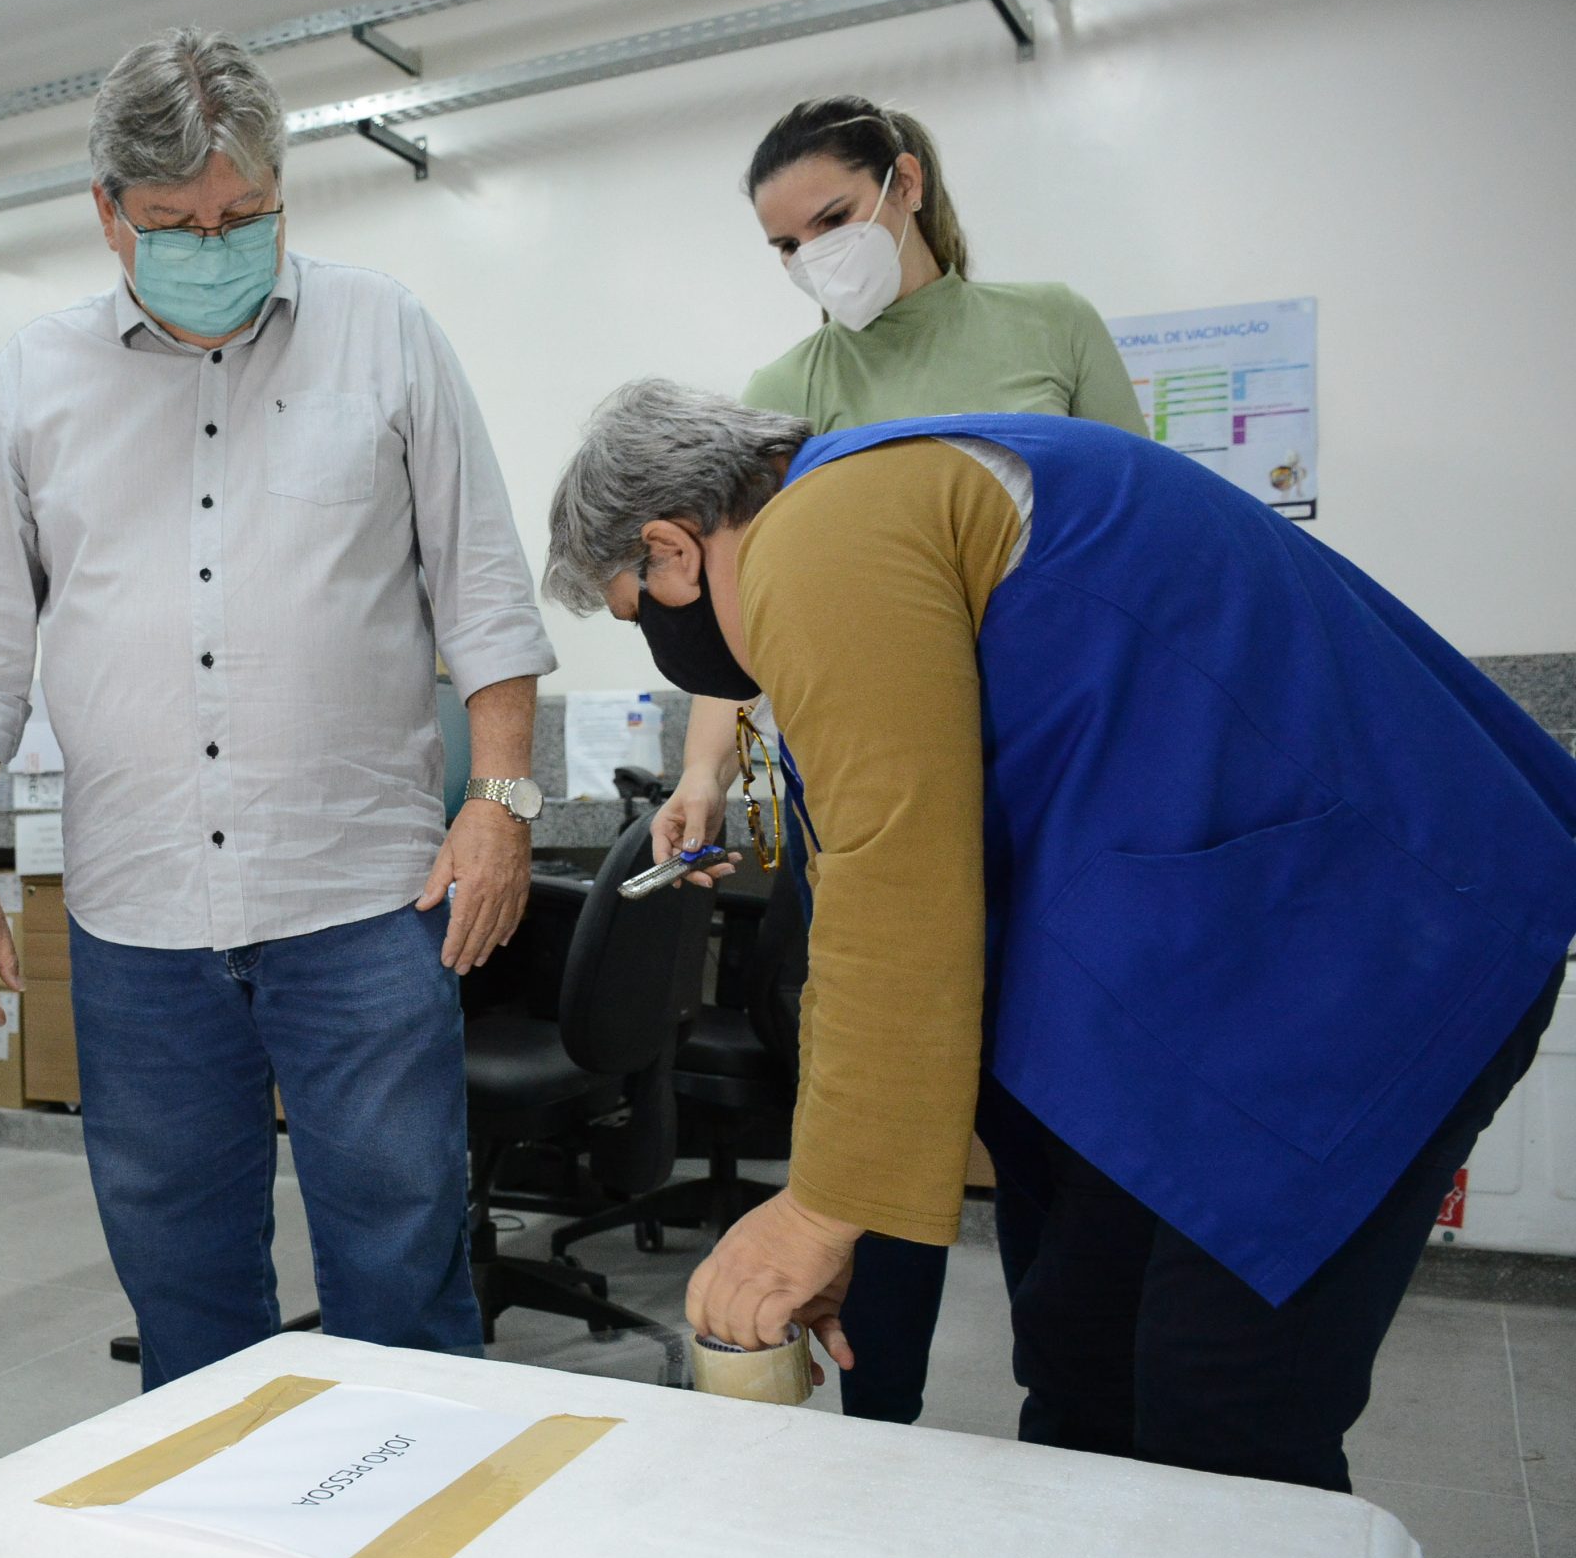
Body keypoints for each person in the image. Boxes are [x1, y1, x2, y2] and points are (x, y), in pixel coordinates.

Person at [543, 382, 1575, 1491]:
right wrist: (852, 1206)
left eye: (635, 608)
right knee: (1083, 1362)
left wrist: (820, 1208)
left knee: (1218, 1423)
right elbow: (905, 873)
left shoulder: (823, 530)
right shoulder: (887, 495)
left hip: (1364, 947)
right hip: (1251, 954)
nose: (662, 640)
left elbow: (893, 884)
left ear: (672, 548)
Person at [0, 29, 556, 1391]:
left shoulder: (385, 333)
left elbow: (484, 591)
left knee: (402, 1269)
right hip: (137, 920)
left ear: (279, 191)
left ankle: (417, 1519)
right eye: (175, 223)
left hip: (363, 900)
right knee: (183, 1289)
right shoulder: (32, 382)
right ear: (108, 213)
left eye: (244, 214)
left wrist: (501, 802)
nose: (214, 244)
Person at [653, 96, 1148, 1426]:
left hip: (1056, 803)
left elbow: (1130, 536)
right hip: (869, 797)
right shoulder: (786, 390)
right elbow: (743, 627)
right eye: (783, 245)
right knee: (872, 1102)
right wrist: (706, 777)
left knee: (1055, 1134)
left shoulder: (1045, 327)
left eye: (830, 219)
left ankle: (1076, 1406)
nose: (813, 256)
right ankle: (879, 1424)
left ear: (905, 185)